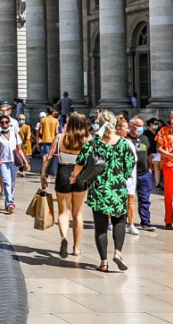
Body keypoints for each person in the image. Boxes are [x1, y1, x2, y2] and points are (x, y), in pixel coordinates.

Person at [72, 110, 135, 272]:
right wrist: (121, 175)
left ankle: (104, 262)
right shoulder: (123, 143)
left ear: (99, 124)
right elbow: (130, 165)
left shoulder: (93, 143)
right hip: (117, 188)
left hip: (98, 188)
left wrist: (74, 176)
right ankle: (118, 252)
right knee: (119, 220)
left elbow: (80, 161)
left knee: (100, 226)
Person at [41, 111, 89, 257]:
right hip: (80, 175)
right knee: (78, 214)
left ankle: (63, 238)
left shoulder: (60, 137)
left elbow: (49, 157)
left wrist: (43, 175)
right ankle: (76, 248)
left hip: (63, 173)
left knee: (63, 212)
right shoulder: (87, 139)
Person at [127, 117, 156, 231]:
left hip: (144, 174)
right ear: (131, 126)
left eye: (142, 126)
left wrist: (150, 168)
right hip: (130, 174)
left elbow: (149, 154)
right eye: (138, 126)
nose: (141, 128)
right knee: (128, 199)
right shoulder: (126, 139)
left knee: (145, 199)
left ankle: (145, 222)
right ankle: (125, 221)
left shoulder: (145, 138)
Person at [117, 116, 141, 236]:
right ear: (117, 129)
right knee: (116, 198)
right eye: (125, 128)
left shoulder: (129, 142)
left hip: (130, 176)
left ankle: (131, 224)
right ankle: (112, 221)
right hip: (117, 175)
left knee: (130, 199)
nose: (127, 130)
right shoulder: (112, 142)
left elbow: (134, 160)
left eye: (127, 128)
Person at [0, 113, 23, 212]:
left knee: (12, 182)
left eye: (6, 122)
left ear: (9, 123)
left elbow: (19, 149)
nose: (4, 124)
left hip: (14, 162)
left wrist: (26, 162)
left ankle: (8, 199)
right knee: (6, 182)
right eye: (2, 123)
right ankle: (9, 202)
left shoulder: (15, 134)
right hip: (3, 162)